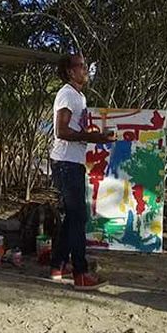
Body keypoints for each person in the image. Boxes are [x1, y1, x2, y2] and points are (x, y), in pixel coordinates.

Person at [49, 53, 116, 290]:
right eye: (81, 66)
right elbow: (61, 131)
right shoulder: (67, 94)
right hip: (66, 163)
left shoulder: (79, 96)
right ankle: (80, 273)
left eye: (85, 65)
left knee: (73, 216)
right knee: (78, 217)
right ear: (70, 71)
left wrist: (92, 134)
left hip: (72, 162)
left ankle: (57, 265)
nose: (85, 70)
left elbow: (74, 129)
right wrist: (94, 137)